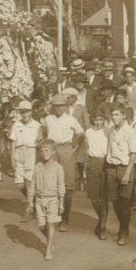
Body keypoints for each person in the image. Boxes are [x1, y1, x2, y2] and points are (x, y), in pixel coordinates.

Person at [42, 95, 84, 231]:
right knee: (51, 182)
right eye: (56, 106)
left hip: (66, 150)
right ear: (53, 107)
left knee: (68, 185)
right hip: (52, 149)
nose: (59, 108)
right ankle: (52, 214)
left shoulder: (71, 119)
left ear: (65, 106)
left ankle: (65, 218)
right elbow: (43, 133)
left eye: (61, 105)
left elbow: (81, 134)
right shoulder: (48, 119)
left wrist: (74, 147)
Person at [104, 106, 136, 245]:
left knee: (124, 203)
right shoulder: (112, 130)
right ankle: (122, 228)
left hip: (125, 168)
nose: (114, 117)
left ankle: (124, 232)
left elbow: (134, 154)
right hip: (112, 169)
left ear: (124, 116)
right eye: (113, 115)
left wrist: (127, 173)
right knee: (115, 202)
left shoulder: (130, 132)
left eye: (117, 115)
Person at [33, 139, 66, 261]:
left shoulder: (58, 168)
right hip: (39, 200)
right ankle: (50, 241)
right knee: (41, 226)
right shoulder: (38, 166)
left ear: (53, 152)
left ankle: (48, 250)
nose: (44, 153)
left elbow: (61, 186)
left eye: (47, 151)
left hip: (53, 200)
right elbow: (33, 184)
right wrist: (30, 202)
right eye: (42, 151)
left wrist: (61, 202)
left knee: (50, 224)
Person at [9, 99, 41, 220]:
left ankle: (30, 208)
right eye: (22, 112)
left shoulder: (37, 125)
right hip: (19, 152)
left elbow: (40, 141)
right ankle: (33, 199)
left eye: (26, 112)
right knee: (19, 183)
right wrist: (12, 155)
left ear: (31, 112)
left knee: (29, 181)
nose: (24, 115)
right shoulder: (16, 125)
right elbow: (13, 141)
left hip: (31, 152)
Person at [84, 109, 111, 239]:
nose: (98, 122)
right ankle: (101, 220)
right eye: (96, 119)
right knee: (94, 196)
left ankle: (102, 227)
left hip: (105, 164)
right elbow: (86, 149)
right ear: (92, 120)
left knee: (104, 196)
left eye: (101, 119)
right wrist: (85, 168)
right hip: (92, 163)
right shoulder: (88, 132)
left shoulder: (108, 132)